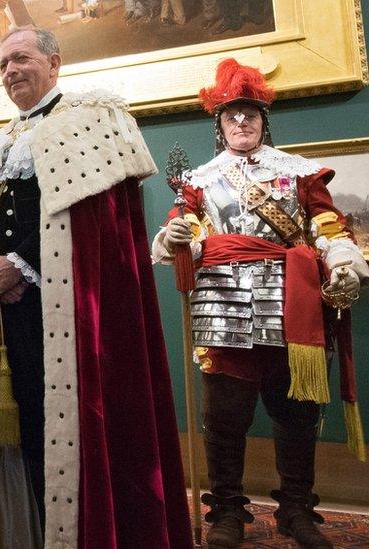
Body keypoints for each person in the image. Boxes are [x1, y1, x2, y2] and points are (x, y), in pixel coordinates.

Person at [0, 27, 193, 548]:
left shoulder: (90, 124)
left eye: (21, 58)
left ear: (54, 62)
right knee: (16, 444)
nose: (10, 71)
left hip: (64, 324)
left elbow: (98, 230)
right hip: (3, 322)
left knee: (57, 439)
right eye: (2, 65)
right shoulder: (0, 141)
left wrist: (22, 266)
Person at [153, 58, 368, 549]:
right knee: (224, 420)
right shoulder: (201, 180)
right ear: (220, 124)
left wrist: (340, 262)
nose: (242, 122)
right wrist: (181, 235)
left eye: (250, 114)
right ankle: (226, 511)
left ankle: (297, 511)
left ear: (262, 121)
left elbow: (329, 224)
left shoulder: (298, 173)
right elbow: (185, 233)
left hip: (293, 306)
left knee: (295, 417)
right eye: (233, 116)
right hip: (223, 309)